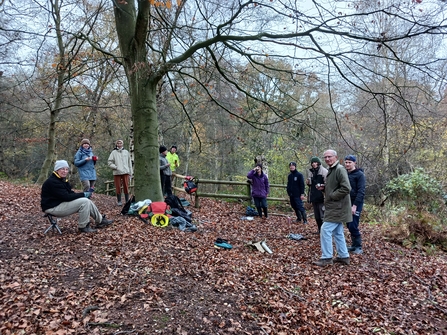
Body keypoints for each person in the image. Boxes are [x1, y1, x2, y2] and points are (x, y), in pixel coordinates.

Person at [41, 160, 113, 233]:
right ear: (57, 170)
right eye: (62, 169)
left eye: (66, 169)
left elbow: (70, 193)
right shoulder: (53, 182)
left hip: (59, 203)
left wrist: (84, 195)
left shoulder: (61, 179)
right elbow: (67, 197)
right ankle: (83, 226)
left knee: (87, 201)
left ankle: (100, 221)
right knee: (84, 202)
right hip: (52, 207)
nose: (65, 171)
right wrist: (84, 194)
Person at [314, 150, 352, 267]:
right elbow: (335, 187)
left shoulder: (339, 169)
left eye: (329, 157)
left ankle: (326, 258)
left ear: (335, 157)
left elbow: (346, 188)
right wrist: (324, 188)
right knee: (338, 232)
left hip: (338, 207)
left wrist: (332, 195)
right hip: (334, 206)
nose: (327, 159)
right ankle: (343, 256)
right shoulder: (331, 170)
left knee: (325, 230)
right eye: (325, 157)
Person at [344, 154, 366, 255]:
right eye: (346, 162)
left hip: (356, 203)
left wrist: (355, 205)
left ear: (354, 163)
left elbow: (361, 191)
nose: (347, 164)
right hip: (346, 202)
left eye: (349, 162)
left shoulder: (360, 175)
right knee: (348, 223)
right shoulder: (345, 173)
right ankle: (353, 245)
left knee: (353, 224)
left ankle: (358, 246)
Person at [306, 157, 328, 234]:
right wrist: (308, 183)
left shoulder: (324, 171)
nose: (314, 164)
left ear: (318, 163)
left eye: (315, 162)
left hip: (322, 197)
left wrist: (322, 186)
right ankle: (319, 230)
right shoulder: (311, 172)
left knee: (323, 215)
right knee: (317, 216)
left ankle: (324, 231)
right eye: (312, 163)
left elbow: (327, 184)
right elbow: (310, 183)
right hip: (313, 196)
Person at [108, 139, 133, 206]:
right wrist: (115, 167)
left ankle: (127, 200)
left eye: (120, 143)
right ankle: (119, 201)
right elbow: (109, 162)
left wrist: (130, 172)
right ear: (116, 144)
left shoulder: (126, 152)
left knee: (126, 186)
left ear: (122, 144)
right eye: (118, 143)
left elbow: (129, 162)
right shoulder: (113, 152)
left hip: (125, 172)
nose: (119, 144)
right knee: (118, 186)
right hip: (117, 172)